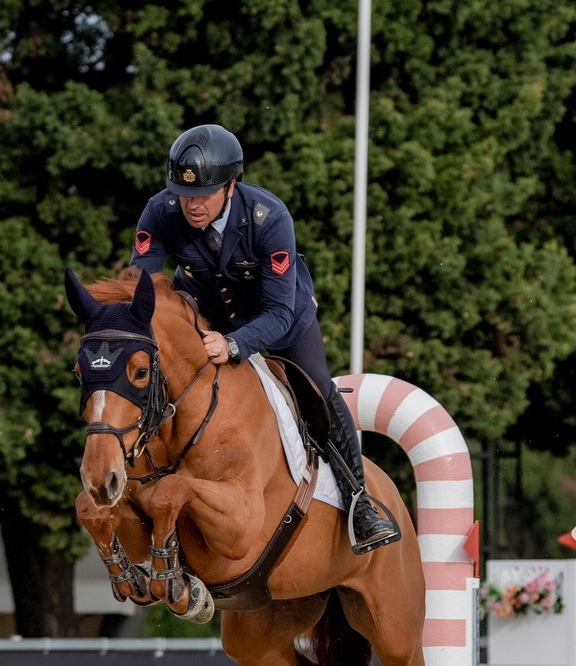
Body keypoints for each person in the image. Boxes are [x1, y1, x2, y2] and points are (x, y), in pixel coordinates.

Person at [129, 123, 401, 553]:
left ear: (231, 185)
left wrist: (234, 344)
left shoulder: (269, 217)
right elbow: (139, 284)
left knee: (317, 390)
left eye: (204, 194)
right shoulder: (160, 211)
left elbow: (278, 311)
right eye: (184, 195)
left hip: (279, 317)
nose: (191, 205)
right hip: (205, 312)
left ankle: (360, 504)